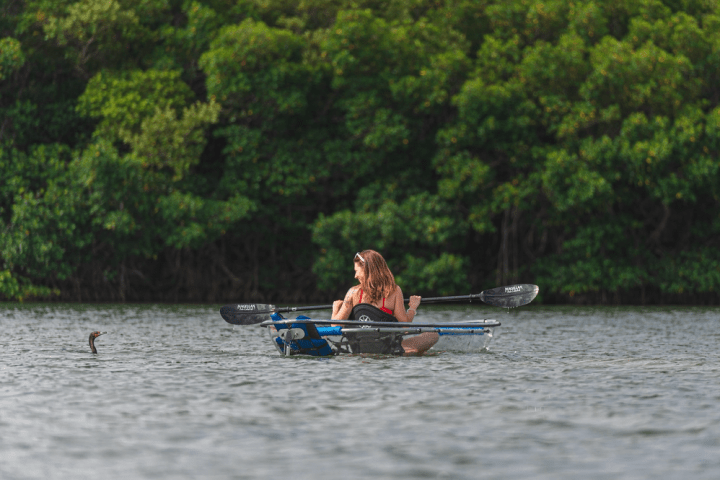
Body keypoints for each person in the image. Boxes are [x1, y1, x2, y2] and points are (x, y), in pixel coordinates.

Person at [331, 249, 439, 355]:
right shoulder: (394, 291)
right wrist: (413, 308)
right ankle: (410, 351)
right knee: (433, 334)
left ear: (366, 269)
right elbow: (405, 327)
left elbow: (335, 325)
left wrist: (335, 308)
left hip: (360, 349)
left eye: (356, 271)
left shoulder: (352, 292)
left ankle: (411, 351)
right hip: (389, 349)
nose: (355, 276)